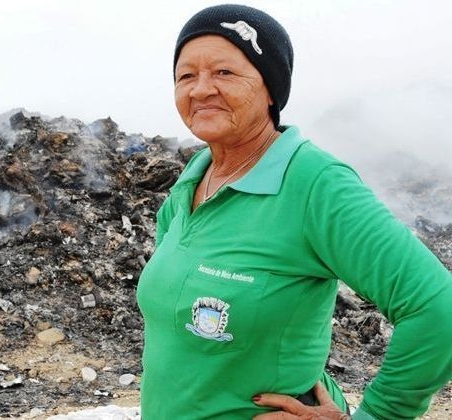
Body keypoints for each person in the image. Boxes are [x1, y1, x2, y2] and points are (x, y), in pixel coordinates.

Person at [135, 4, 452, 419]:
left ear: (270, 88)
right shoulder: (193, 180)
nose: (201, 89)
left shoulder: (315, 184)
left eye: (224, 72)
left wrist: (377, 415)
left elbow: (438, 310)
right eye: (186, 76)